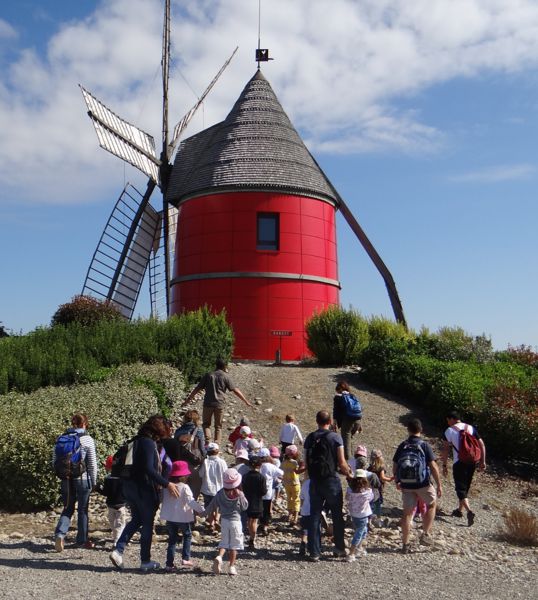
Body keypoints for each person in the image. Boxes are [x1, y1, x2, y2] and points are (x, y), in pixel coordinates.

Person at [110, 415, 180, 571]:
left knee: (136, 519)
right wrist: (167, 483)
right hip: (143, 487)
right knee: (147, 523)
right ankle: (145, 561)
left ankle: (118, 550)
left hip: (128, 486)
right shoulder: (148, 443)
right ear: (158, 429)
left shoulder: (134, 441)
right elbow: (149, 468)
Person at [304, 410, 352, 561]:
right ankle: (338, 548)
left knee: (315, 515)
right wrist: (350, 474)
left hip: (315, 481)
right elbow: (342, 462)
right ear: (330, 421)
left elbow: (306, 461)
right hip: (331, 480)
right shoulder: (335, 437)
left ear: (316, 421)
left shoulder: (310, 438)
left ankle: (314, 552)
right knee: (337, 515)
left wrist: (308, 478)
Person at [392, 418, 442, 554]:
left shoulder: (403, 445)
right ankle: (425, 533)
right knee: (432, 504)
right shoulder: (424, 445)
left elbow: (395, 465)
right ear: (421, 430)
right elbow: (433, 466)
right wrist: (439, 485)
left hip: (406, 484)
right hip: (423, 483)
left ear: (408, 430)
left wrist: (397, 480)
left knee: (407, 514)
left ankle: (405, 544)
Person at [53, 413, 98, 551]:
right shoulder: (87, 439)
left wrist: (63, 474)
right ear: (85, 424)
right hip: (83, 479)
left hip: (66, 479)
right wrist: (94, 482)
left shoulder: (61, 438)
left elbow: (54, 461)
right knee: (83, 510)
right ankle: (82, 540)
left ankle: (60, 535)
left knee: (67, 507)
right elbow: (92, 464)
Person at [183, 358, 252, 444]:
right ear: (225, 366)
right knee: (218, 426)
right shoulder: (225, 376)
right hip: (220, 404)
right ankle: (216, 445)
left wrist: (188, 400)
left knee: (206, 424)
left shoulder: (208, 375)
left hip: (208, 403)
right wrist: (245, 401)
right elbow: (235, 390)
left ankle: (208, 442)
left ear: (216, 365)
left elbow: (197, 389)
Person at [440, 410, 486, 526]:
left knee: (460, 488)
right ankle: (459, 511)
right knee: (466, 487)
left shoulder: (449, 431)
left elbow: (445, 449)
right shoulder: (470, 428)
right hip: (472, 461)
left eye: (448, 420)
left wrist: (444, 465)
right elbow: (482, 444)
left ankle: (469, 511)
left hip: (459, 462)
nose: (448, 423)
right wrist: (482, 461)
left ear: (451, 419)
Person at [160, 460, 204, 571]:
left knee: (172, 539)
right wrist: (201, 510)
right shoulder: (184, 487)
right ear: (183, 476)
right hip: (183, 517)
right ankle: (185, 558)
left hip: (170, 517)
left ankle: (169, 564)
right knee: (187, 535)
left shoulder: (167, 487)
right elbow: (190, 501)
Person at [205, 468, 248, 576]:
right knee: (234, 546)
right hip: (236, 522)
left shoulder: (220, 493)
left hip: (224, 521)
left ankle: (219, 557)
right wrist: (241, 495)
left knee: (224, 542)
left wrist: (201, 513)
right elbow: (245, 507)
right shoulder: (239, 494)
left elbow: (211, 506)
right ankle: (231, 567)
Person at [345, 469, 374, 561]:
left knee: (363, 529)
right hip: (363, 515)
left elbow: (347, 498)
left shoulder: (349, 490)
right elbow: (371, 498)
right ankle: (351, 553)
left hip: (354, 514)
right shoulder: (367, 491)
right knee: (359, 533)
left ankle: (359, 548)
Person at [98, 455, 127, 547]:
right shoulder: (123, 478)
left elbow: (105, 492)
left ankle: (115, 538)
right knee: (120, 524)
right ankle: (117, 541)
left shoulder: (108, 479)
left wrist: (98, 488)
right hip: (121, 504)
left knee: (113, 524)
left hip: (110, 504)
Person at [199, 442, 228, 531]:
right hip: (219, 488)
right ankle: (217, 520)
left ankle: (211, 523)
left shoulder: (205, 462)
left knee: (209, 506)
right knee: (219, 506)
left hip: (207, 488)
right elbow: (226, 474)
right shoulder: (222, 462)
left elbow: (200, 474)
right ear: (217, 451)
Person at [241, 454, 267, 549]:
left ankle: (251, 538)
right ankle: (252, 539)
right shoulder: (261, 477)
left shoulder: (245, 476)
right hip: (257, 501)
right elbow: (264, 491)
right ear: (259, 465)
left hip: (247, 501)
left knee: (249, 520)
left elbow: (242, 488)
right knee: (254, 521)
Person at [333, 380, 362, 460]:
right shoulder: (353, 395)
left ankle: (348, 463)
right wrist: (359, 426)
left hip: (347, 421)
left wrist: (334, 423)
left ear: (339, 389)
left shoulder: (338, 397)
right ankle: (351, 458)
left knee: (345, 441)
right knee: (349, 439)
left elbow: (335, 411)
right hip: (357, 420)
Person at [259, 447, 283, 535]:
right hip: (268, 491)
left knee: (259, 509)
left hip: (257, 492)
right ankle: (265, 526)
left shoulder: (257, 465)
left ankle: (260, 523)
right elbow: (282, 474)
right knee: (266, 509)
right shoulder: (271, 466)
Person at [367, 449, 394, 520]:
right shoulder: (381, 467)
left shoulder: (370, 468)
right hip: (378, 488)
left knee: (371, 501)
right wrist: (390, 479)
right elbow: (382, 477)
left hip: (370, 487)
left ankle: (370, 516)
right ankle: (377, 517)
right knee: (378, 502)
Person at [281, 445, 303, 525]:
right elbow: (299, 470)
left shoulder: (284, 462)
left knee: (289, 498)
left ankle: (289, 514)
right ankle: (296, 517)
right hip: (295, 483)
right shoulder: (295, 462)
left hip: (287, 483)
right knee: (296, 499)